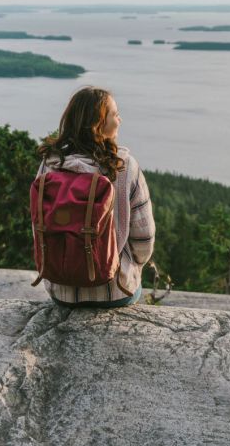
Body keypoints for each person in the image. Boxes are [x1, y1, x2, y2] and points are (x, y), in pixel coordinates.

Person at [35, 86, 155, 307]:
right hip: (116, 292)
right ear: (98, 125)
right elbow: (143, 241)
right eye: (115, 114)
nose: (120, 119)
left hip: (61, 292)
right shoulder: (125, 167)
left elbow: (39, 226)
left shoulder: (50, 163)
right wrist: (132, 266)